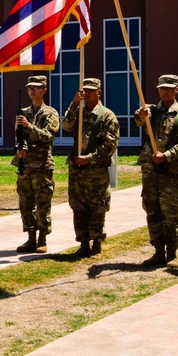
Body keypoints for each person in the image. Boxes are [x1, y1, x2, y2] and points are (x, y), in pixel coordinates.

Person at [134, 75, 178, 266]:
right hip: (150, 168)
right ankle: (158, 250)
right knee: (152, 209)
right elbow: (138, 120)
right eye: (162, 88)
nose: (165, 91)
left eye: (169, 88)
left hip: (172, 169)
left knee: (170, 211)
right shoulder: (151, 111)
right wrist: (141, 114)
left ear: (176, 89)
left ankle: (172, 252)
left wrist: (168, 155)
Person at [62, 77, 119, 257]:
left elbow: (110, 145)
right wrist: (74, 103)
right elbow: (66, 125)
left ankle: (97, 244)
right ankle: (83, 242)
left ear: (99, 92)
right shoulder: (78, 111)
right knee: (78, 206)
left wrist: (90, 158)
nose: (87, 93)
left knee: (97, 207)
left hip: (96, 170)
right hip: (77, 168)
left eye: (91, 91)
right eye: (84, 90)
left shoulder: (107, 115)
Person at [12, 76, 60, 254]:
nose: (32, 91)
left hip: (42, 166)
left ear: (44, 90)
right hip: (25, 166)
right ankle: (30, 238)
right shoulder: (23, 112)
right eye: (29, 88)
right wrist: (20, 148)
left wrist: (29, 126)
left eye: (36, 87)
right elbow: (18, 136)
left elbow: (48, 136)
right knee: (25, 204)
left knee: (42, 204)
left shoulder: (51, 113)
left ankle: (42, 239)